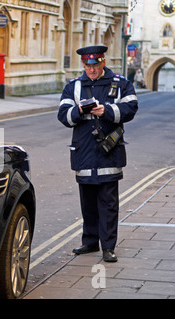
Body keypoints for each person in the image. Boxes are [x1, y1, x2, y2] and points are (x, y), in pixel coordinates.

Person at [57, 45, 138, 262]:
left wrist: (107, 111)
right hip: (84, 152)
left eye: (95, 65)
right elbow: (63, 116)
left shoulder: (120, 83)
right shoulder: (73, 87)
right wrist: (80, 110)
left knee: (108, 203)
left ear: (103, 62)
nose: (91, 70)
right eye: (87, 66)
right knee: (88, 202)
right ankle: (90, 241)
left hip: (109, 152)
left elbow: (131, 108)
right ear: (83, 65)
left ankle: (108, 247)